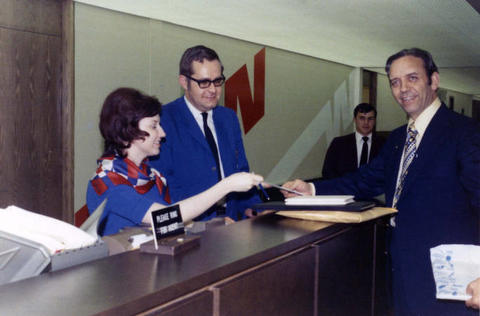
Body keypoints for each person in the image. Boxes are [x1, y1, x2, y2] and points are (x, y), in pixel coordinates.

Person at [281, 48, 480, 315]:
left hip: (450, 281)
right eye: (395, 82)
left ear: (434, 80)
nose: (403, 89)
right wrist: (312, 188)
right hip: (402, 273)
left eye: (412, 78)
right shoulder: (399, 138)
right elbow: (364, 180)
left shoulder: (465, 133)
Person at [86, 88, 263, 236]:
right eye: (154, 126)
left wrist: (212, 225)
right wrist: (227, 185)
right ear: (127, 131)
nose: (162, 133)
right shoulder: (107, 182)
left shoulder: (151, 176)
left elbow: (170, 227)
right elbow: (165, 217)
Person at [150, 45, 261, 222]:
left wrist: (254, 208)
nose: (212, 90)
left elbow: (240, 170)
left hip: (231, 221)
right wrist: (208, 224)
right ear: (184, 82)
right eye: (204, 82)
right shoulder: (164, 120)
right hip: (191, 227)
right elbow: (164, 186)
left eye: (217, 81)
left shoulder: (228, 118)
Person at [322, 103, 386, 179]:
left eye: (370, 119)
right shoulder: (338, 143)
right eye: (362, 118)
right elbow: (327, 171)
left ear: (375, 121)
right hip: (344, 189)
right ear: (355, 120)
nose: (366, 122)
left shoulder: (384, 144)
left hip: (374, 189)